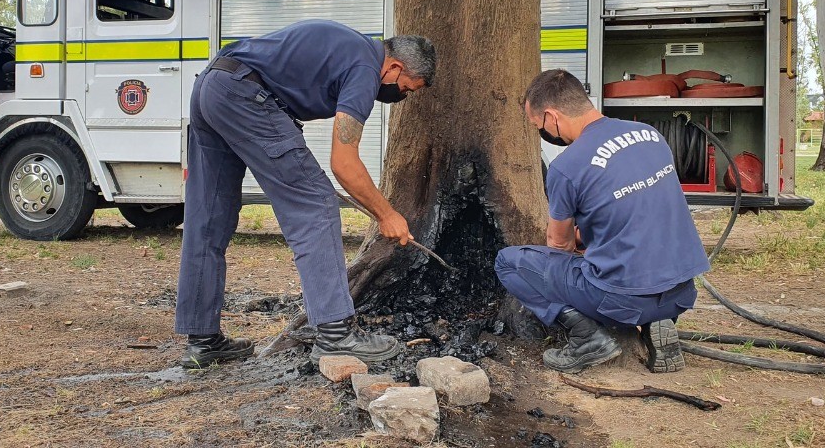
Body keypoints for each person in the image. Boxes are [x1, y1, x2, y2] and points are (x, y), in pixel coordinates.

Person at [175, 20, 436, 368]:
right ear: (394, 66)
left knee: (208, 217)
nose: (402, 97)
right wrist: (387, 214)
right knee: (317, 204)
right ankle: (335, 333)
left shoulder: (350, 48)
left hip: (212, 85)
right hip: (244, 95)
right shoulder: (365, 67)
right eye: (407, 88)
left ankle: (202, 339)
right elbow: (344, 163)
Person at [495, 69, 710, 374]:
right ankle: (657, 321)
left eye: (537, 125)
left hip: (621, 301)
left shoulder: (566, 166)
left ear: (552, 117)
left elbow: (560, 244)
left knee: (509, 262)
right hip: (680, 292)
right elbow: (635, 209)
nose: (540, 131)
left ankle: (587, 338)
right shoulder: (651, 135)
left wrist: (574, 250)